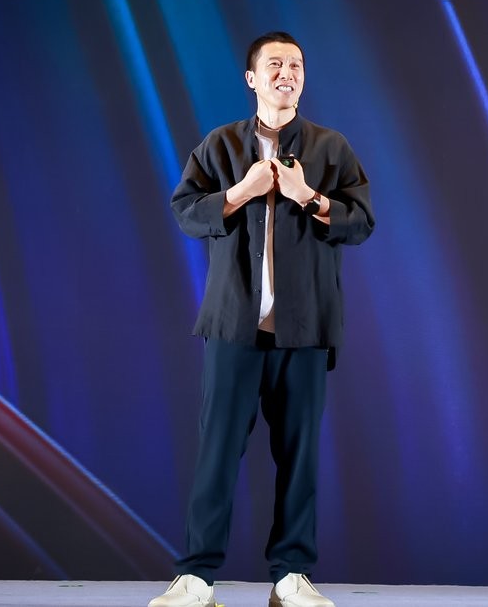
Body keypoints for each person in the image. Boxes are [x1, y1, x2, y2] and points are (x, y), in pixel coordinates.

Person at [150, 32, 375, 607]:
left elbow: (361, 221)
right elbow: (185, 212)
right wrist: (240, 191)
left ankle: (290, 576)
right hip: (233, 327)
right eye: (274, 64)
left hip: (306, 329)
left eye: (295, 65)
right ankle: (197, 577)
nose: (287, 73)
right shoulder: (221, 144)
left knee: (299, 457)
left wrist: (309, 196)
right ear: (252, 78)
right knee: (217, 452)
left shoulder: (331, 148)